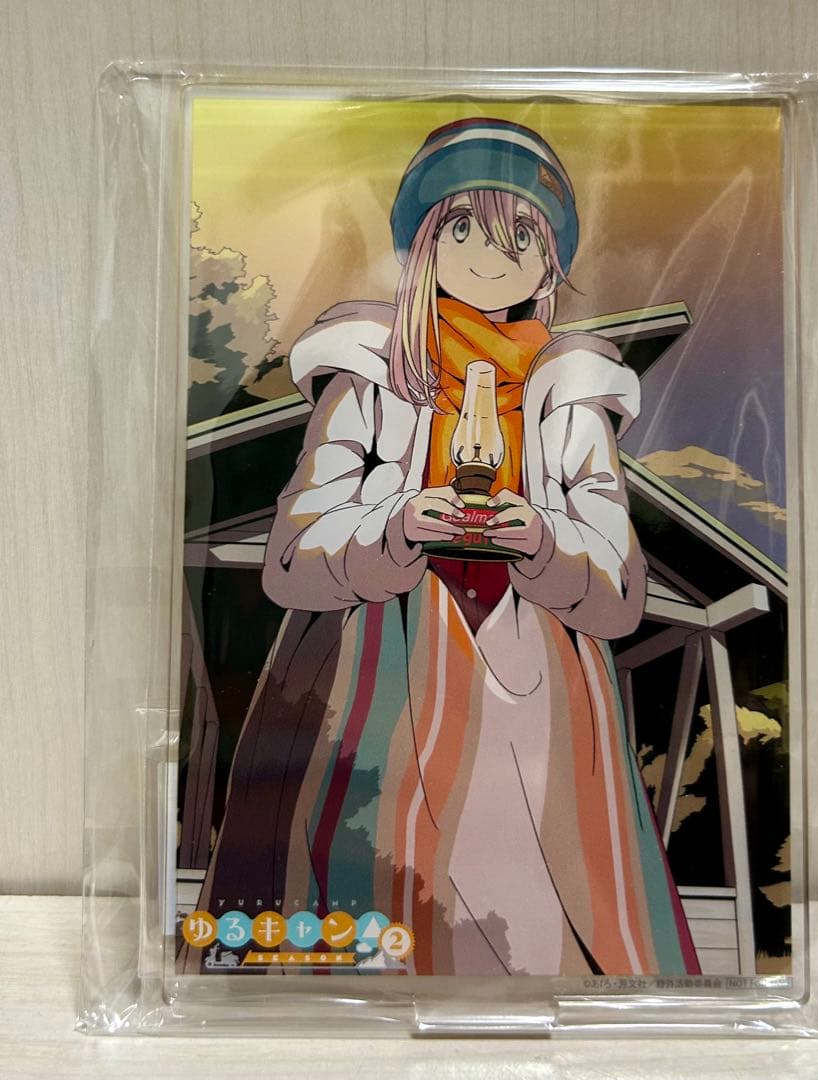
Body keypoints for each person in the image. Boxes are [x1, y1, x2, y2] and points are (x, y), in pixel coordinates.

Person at [186, 117, 700, 977]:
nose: (491, 256)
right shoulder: (370, 366)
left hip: (542, 679)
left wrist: (541, 539)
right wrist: (396, 526)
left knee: (543, 911)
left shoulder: (572, 388)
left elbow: (617, 589)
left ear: (549, 262)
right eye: (463, 227)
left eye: (521, 236)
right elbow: (293, 554)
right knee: (372, 877)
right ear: (421, 241)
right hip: (376, 664)